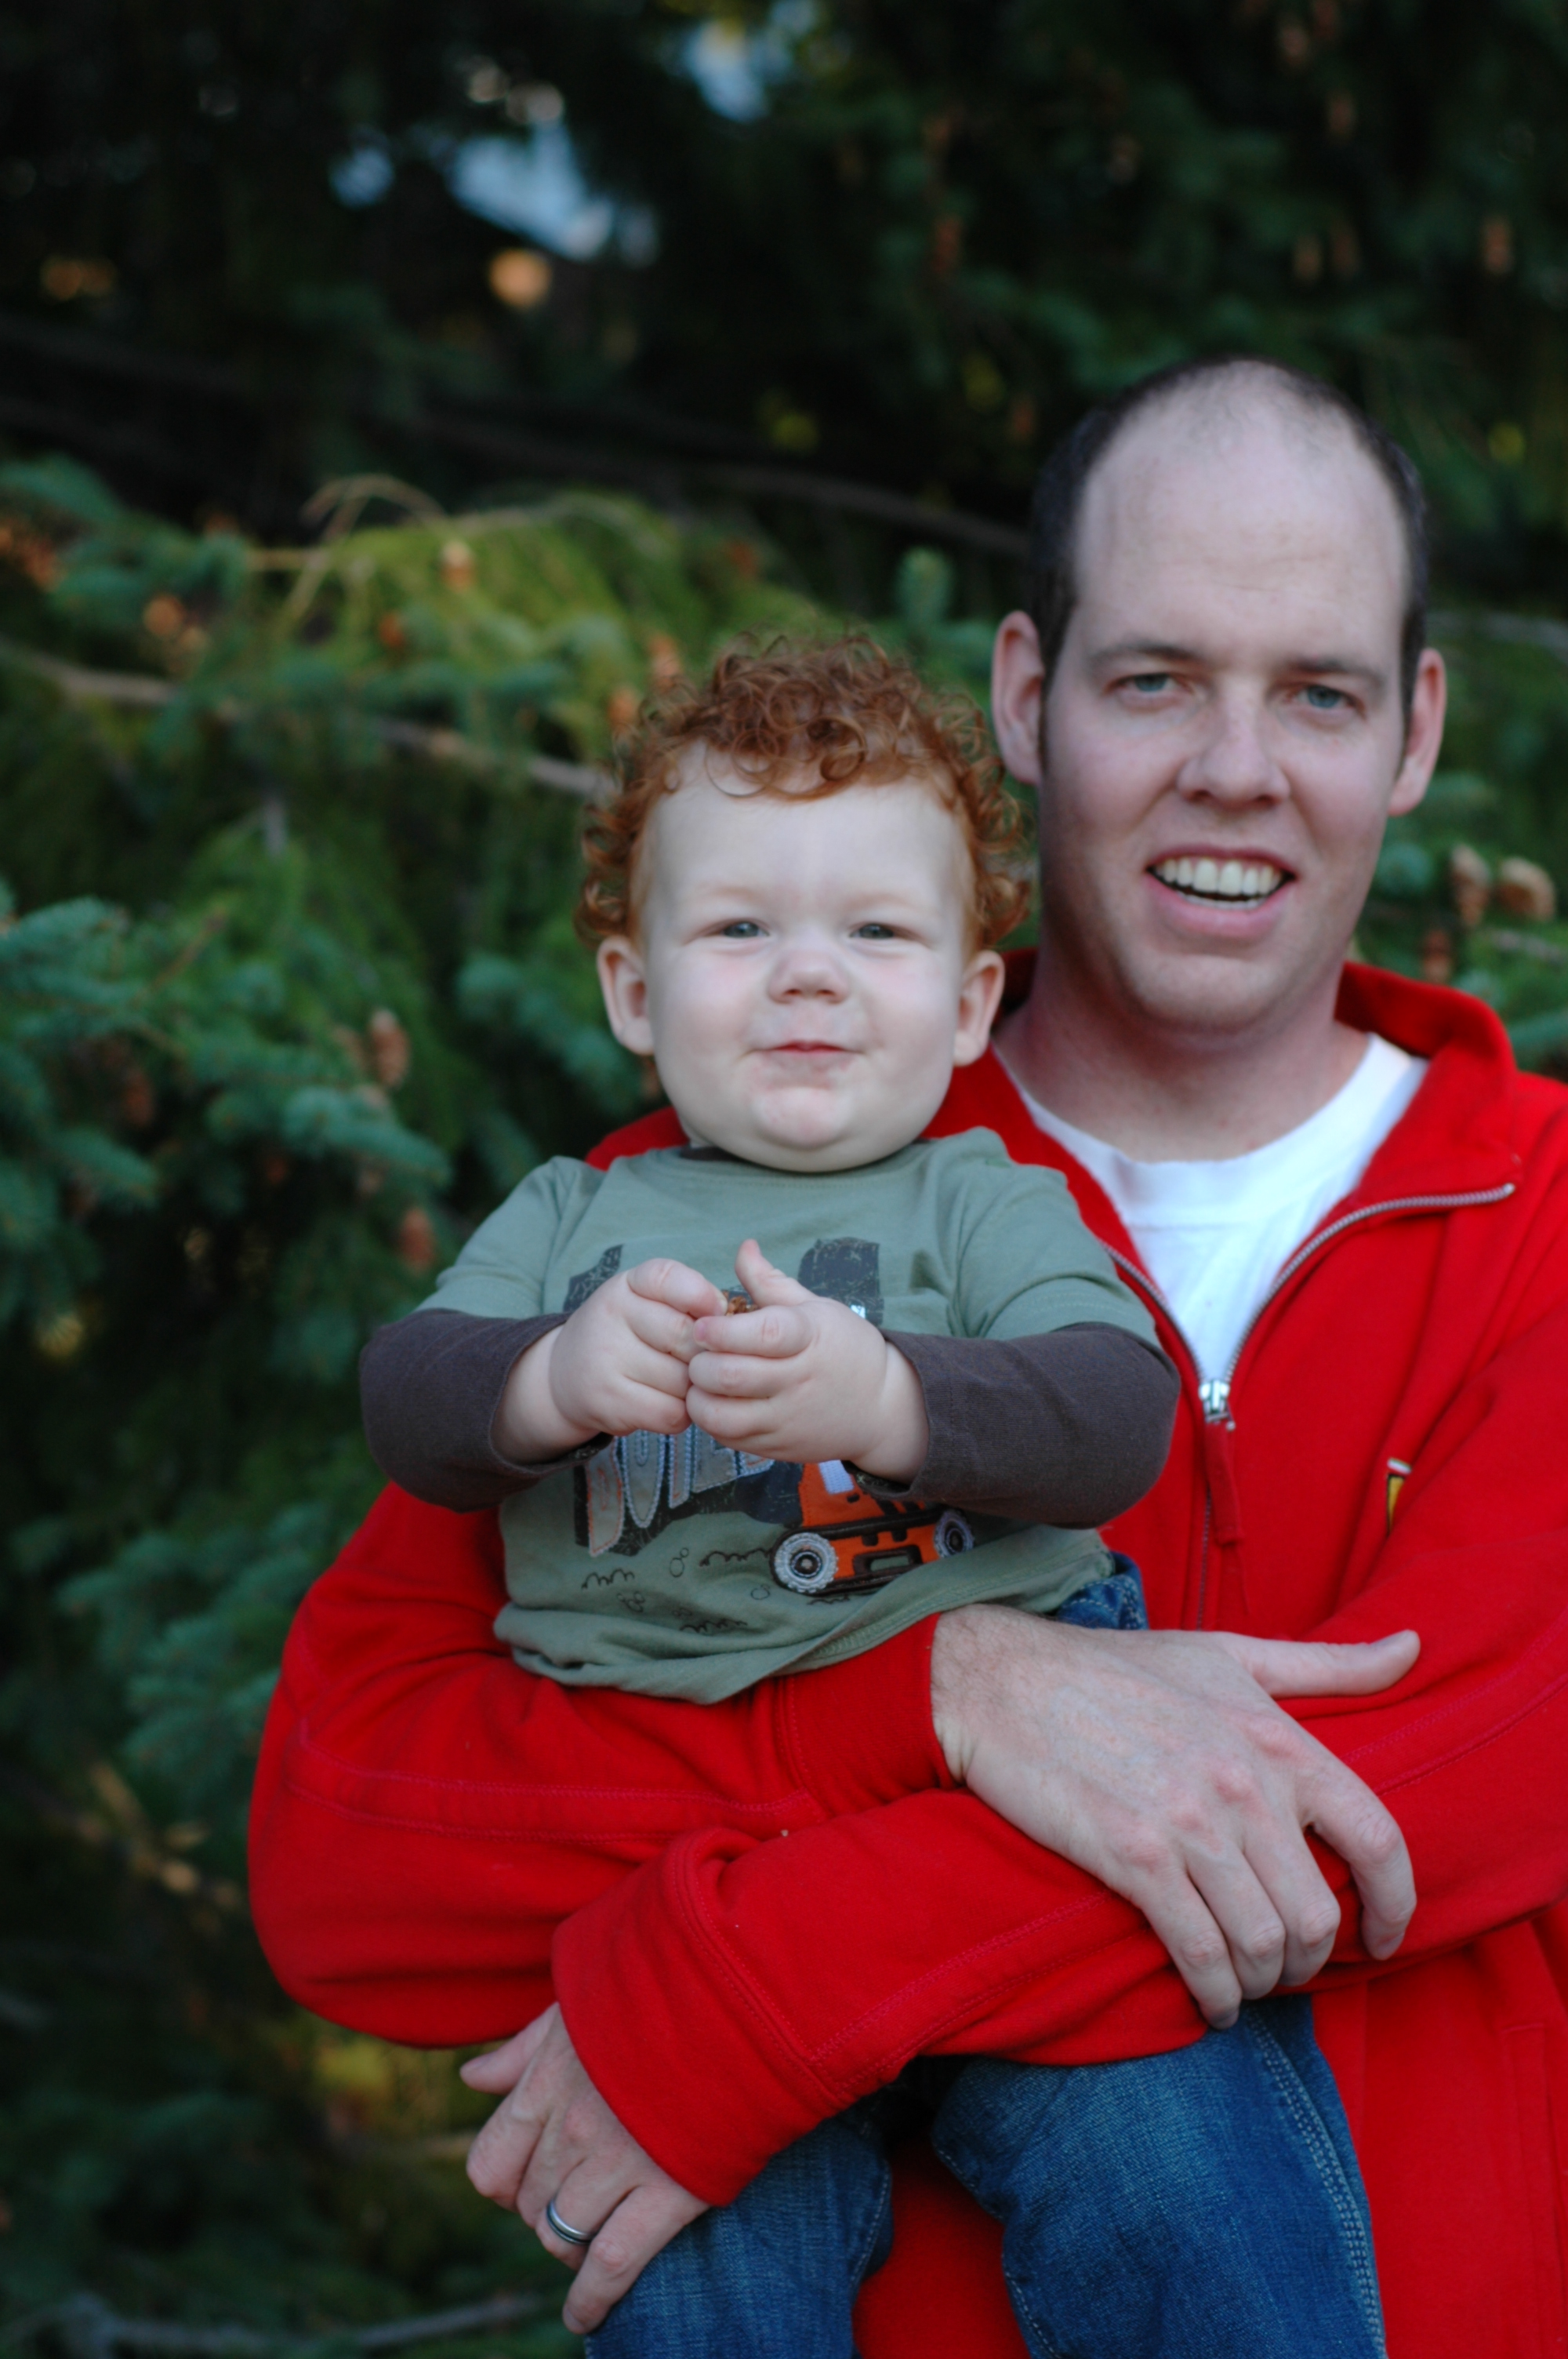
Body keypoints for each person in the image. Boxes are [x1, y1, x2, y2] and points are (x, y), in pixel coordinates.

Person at [249, 355, 1568, 2359]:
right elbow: (348, 1840)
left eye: (1317, 692)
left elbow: (1391, 1817)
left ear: (1416, 730)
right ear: (1028, 695)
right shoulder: (701, 1214)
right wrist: (941, 1692)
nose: (1235, 767)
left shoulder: (1538, 1222)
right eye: (1154, 680)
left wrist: (736, 1999)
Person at [357, 635, 1385, 2357]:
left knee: (1182, 2177)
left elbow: (1111, 1414)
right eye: (739, 928)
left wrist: (891, 1399)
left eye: (878, 934)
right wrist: (549, 1380)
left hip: (1011, 1833)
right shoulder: (570, 1221)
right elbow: (408, 1395)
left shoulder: (983, 1202)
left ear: (971, 1005)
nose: (808, 977)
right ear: (631, 988)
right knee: (695, 2276)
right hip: (679, 1849)